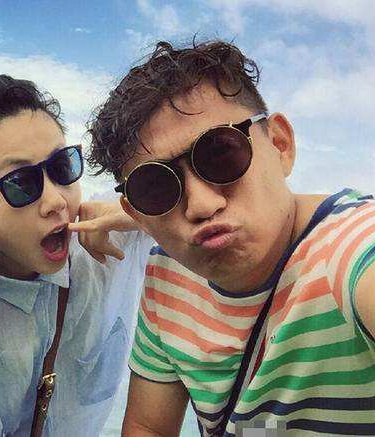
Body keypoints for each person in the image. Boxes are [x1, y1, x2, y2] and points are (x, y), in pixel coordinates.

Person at [84, 39, 375, 436]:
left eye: (221, 154)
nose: (201, 205)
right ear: (139, 215)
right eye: (155, 188)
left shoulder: (350, 251)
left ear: (280, 145)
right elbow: (148, 426)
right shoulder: (169, 273)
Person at [0, 75, 153, 436]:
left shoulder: (113, 242)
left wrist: (146, 211)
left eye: (62, 167)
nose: (55, 201)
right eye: (20, 182)